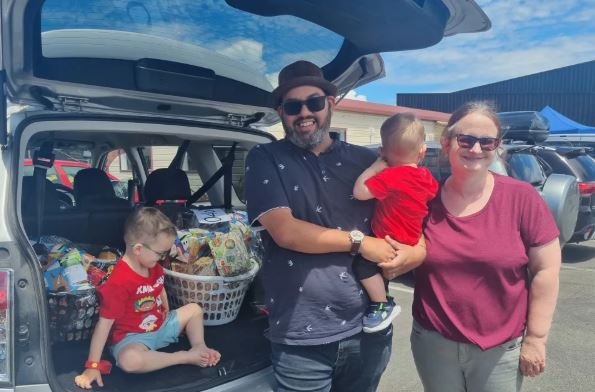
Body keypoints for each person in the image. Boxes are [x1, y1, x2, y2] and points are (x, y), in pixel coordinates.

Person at [244, 60, 427, 392]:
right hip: (301, 338)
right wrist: (361, 243)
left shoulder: (369, 161)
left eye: (314, 102)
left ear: (330, 103)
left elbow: (411, 212)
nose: (304, 113)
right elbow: (286, 232)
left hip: (369, 331)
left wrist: (417, 252)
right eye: (292, 106)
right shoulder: (264, 158)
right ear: (281, 112)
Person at [410, 101, 561, 392]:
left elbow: (547, 269)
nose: (476, 149)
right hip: (434, 343)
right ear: (446, 143)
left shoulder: (521, 197)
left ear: (497, 147)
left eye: (486, 141)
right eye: (465, 139)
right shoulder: (426, 198)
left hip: (500, 349)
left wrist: (536, 338)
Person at [75, 207, 220, 389]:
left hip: (160, 324)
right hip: (132, 338)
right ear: (138, 249)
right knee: (130, 361)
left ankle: (199, 346)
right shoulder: (120, 281)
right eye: (161, 253)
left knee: (195, 310)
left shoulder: (153, 266)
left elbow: (159, 287)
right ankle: (183, 357)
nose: (163, 258)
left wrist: (165, 307)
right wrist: (93, 366)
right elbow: (104, 325)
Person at [353, 112, 438, 333]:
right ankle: (383, 296)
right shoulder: (426, 177)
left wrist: (374, 168)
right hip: (411, 238)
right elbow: (432, 193)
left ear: (382, 152)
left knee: (363, 267)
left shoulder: (389, 176)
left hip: (389, 239)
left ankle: (382, 304)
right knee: (381, 272)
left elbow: (359, 192)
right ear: (422, 151)